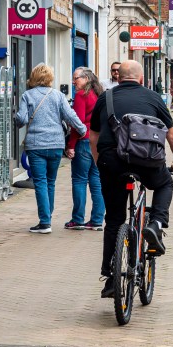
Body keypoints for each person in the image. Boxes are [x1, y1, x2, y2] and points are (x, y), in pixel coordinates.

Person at [90, 60, 173, 299]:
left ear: (118, 77)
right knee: (165, 183)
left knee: (113, 220)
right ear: (141, 78)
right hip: (147, 161)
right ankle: (155, 224)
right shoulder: (154, 98)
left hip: (112, 162)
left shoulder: (106, 98)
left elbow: (93, 137)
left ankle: (111, 276)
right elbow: (172, 135)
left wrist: (99, 163)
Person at [14, 63, 86, 234]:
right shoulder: (58, 96)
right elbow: (70, 115)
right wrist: (82, 129)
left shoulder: (27, 95)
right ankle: (48, 217)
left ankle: (45, 222)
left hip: (36, 145)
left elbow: (21, 120)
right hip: (56, 144)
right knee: (50, 182)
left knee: (40, 182)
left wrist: (16, 117)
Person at [65, 67, 105, 231]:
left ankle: (78, 219)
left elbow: (78, 123)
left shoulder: (82, 95)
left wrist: (71, 145)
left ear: (87, 78)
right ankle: (96, 220)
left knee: (79, 180)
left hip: (83, 142)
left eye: (77, 78)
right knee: (96, 182)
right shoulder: (99, 95)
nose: (74, 82)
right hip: (98, 142)